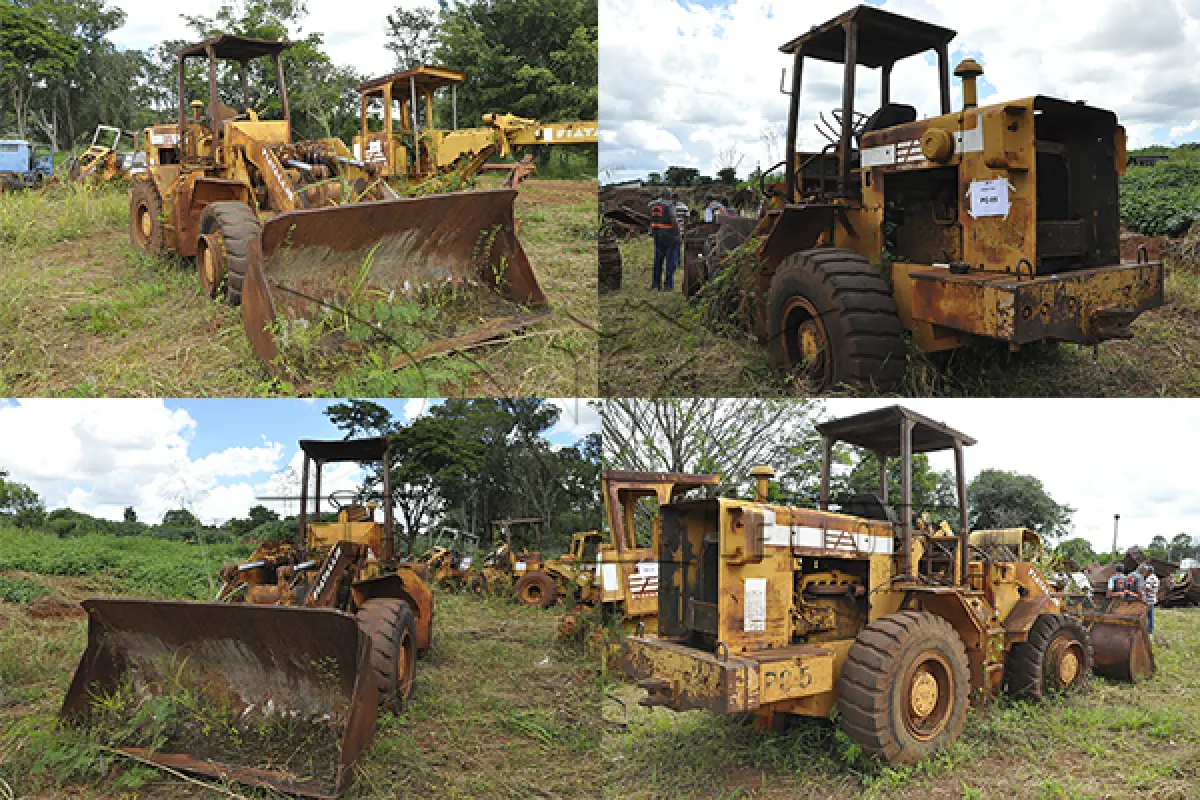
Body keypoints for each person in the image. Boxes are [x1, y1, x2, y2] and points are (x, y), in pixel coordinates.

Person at [648, 194, 678, 291]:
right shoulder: (670, 205)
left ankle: (656, 284)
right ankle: (668, 285)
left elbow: (650, 219)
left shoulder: (651, 205)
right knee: (670, 261)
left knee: (658, 260)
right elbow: (673, 220)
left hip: (657, 235)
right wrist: (677, 234)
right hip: (669, 236)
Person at [672, 192, 689, 289]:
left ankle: (675, 263)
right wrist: (685, 230)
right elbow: (687, 220)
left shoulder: (669, 207)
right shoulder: (684, 207)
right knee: (677, 247)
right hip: (680, 230)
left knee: (674, 247)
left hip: (671, 231)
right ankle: (677, 262)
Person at [1140, 563, 1160, 633]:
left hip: (1148, 599)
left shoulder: (1149, 578)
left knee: (1145, 615)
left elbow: (1147, 588)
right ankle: (1150, 629)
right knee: (1151, 615)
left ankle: (1146, 629)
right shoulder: (1156, 578)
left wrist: (1143, 591)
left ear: (1149, 571)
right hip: (1153, 598)